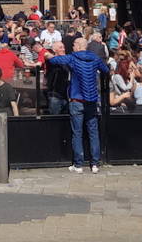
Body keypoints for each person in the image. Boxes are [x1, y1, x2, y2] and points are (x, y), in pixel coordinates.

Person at [44, 36, 111, 173]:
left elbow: (54, 60)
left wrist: (47, 54)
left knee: (77, 133)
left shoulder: (72, 58)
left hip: (76, 100)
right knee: (93, 133)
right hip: (91, 100)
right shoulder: (95, 58)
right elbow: (106, 70)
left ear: (79, 46)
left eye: (74, 45)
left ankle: (78, 165)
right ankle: (95, 164)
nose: (72, 47)